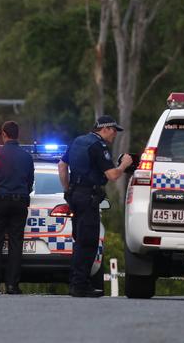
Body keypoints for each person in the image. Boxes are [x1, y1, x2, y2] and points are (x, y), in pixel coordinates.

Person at [58, 115, 133, 297]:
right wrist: (124, 165)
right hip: (88, 196)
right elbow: (113, 175)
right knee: (89, 242)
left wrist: (68, 190)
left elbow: (61, 166)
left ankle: (77, 283)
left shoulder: (77, 141)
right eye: (114, 130)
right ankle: (80, 285)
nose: (115, 134)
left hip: (75, 195)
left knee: (80, 240)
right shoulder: (98, 146)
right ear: (105, 128)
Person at [0, 121, 34, 295]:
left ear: (4, 134)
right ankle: (12, 285)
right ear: (17, 135)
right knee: (16, 243)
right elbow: (30, 183)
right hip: (20, 202)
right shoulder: (27, 157)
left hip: (0, 202)